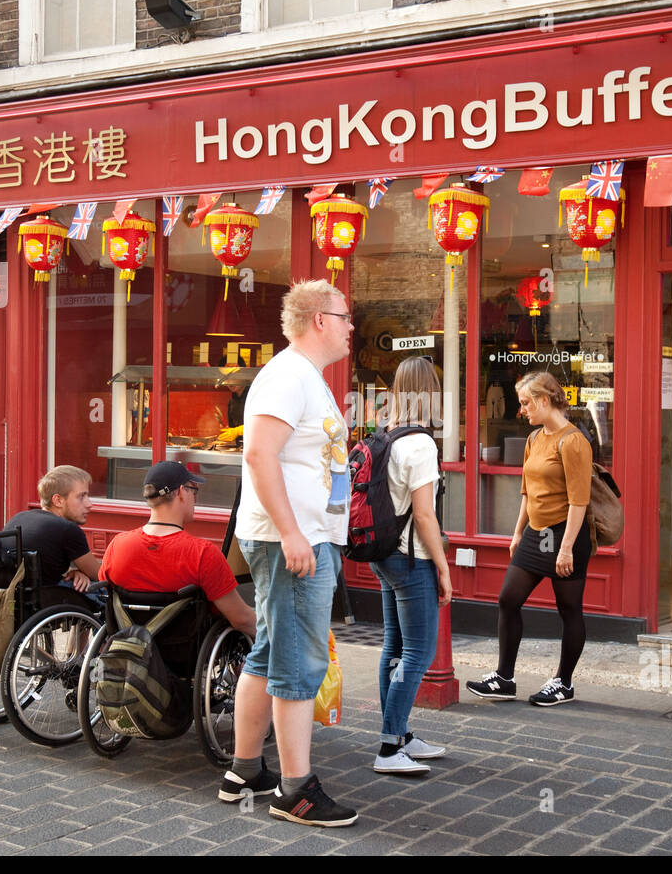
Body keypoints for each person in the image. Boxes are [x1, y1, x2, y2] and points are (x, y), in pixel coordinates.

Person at [221, 279, 358, 826]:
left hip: (300, 537)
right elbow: (258, 454)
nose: (352, 327)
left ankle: (246, 770)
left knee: (271, 651)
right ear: (320, 319)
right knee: (301, 661)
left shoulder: (306, 377)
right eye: (345, 316)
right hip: (291, 542)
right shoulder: (286, 375)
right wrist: (294, 532)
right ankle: (295, 789)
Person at [467, 370, 592, 706]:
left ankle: (563, 683)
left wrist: (566, 548)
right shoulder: (535, 439)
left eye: (525, 403)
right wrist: (518, 532)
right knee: (508, 599)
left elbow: (580, 500)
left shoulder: (573, 441)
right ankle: (504, 679)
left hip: (566, 534)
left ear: (543, 400)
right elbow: (527, 491)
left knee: (569, 609)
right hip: (536, 535)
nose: (521, 410)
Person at [369, 356, 453, 774]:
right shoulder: (420, 443)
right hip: (411, 558)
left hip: (383, 555)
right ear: (430, 392)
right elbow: (424, 515)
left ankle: (398, 735)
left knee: (395, 647)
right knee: (419, 652)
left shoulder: (384, 434)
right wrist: (443, 566)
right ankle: (388, 750)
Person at [98, 461, 255, 639]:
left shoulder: (117, 546)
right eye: (193, 491)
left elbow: (105, 592)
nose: (195, 499)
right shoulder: (203, 553)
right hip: (183, 657)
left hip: (128, 654)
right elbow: (242, 619)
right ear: (181, 492)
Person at [0, 465, 101, 593]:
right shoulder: (68, 529)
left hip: (12, 595)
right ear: (58, 500)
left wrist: (72, 573)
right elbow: (99, 575)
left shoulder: (19, 517)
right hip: (43, 599)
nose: (89, 504)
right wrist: (80, 572)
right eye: (81, 496)